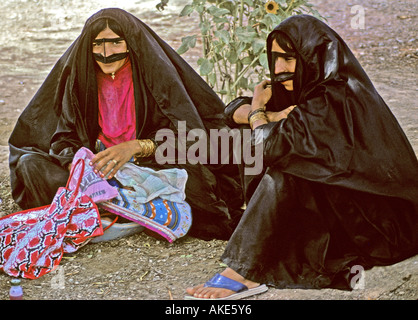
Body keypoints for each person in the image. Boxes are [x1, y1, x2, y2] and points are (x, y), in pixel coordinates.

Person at [186, 14, 418, 299]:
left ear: (311, 57)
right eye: (275, 58)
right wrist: (263, 113)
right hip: (345, 207)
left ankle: (244, 273)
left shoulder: (332, 96)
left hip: (382, 225)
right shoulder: (302, 83)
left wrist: (258, 113)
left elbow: (267, 147)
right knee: (262, 143)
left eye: (289, 58)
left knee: (286, 169)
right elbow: (231, 111)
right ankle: (249, 261)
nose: (280, 68)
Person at [8, 8, 244, 241]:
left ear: (130, 44)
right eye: (97, 44)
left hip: (150, 165)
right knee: (31, 165)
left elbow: (187, 135)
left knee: (194, 177)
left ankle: (102, 212)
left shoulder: (153, 75)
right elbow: (64, 136)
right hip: (98, 170)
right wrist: (77, 165)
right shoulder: (82, 78)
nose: (105, 53)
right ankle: (118, 210)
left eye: (115, 43)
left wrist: (136, 147)